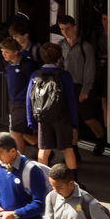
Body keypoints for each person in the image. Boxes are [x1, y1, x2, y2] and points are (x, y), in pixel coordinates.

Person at [56, 13, 106, 151]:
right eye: (61, 29)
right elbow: (59, 66)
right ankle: (74, 147)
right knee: (71, 119)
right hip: (67, 85)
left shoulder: (86, 47)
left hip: (82, 86)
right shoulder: (60, 45)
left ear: (75, 28)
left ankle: (101, 139)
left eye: (67, 28)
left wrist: (85, 90)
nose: (65, 32)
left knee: (88, 118)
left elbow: (90, 70)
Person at [28, 43, 79, 171]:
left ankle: (44, 180)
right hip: (62, 117)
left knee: (43, 150)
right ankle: (73, 180)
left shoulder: (35, 75)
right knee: (67, 149)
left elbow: (29, 99)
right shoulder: (64, 75)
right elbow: (71, 101)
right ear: (58, 58)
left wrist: (31, 121)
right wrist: (74, 124)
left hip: (43, 117)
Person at [0, 34, 41, 154]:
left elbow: (35, 84)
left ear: (16, 52)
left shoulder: (27, 65)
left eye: (7, 52)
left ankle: (18, 161)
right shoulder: (8, 64)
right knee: (23, 133)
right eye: (2, 52)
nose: (3, 55)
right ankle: (42, 148)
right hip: (13, 103)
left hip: (24, 103)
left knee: (15, 132)